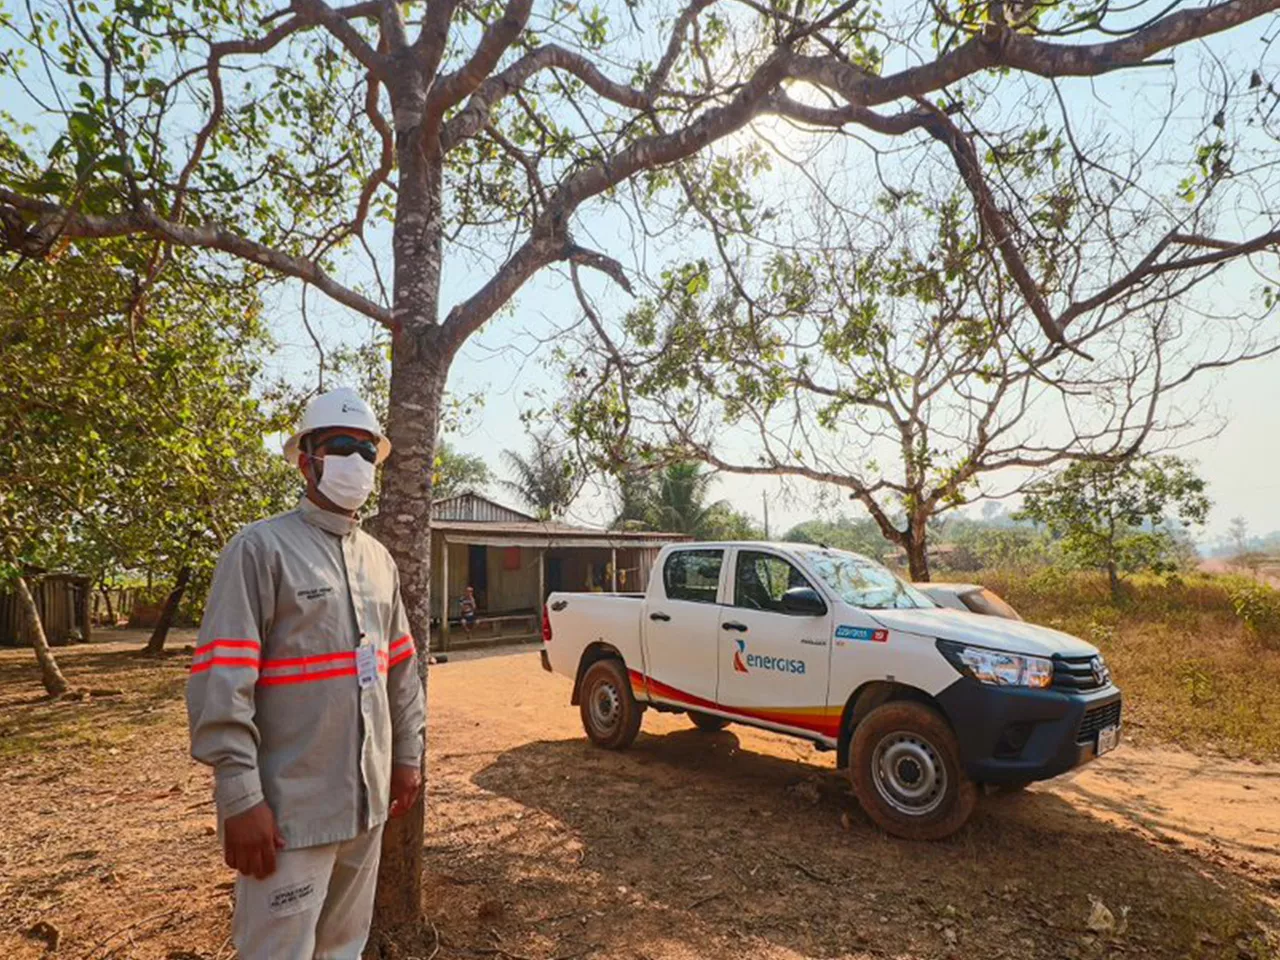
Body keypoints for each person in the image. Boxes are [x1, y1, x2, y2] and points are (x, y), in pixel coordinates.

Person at [186, 386, 425, 960]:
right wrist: (240, 796)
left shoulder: (378, 560)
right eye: (342, 447)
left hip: (366, 809)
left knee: (343, 948)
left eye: (368, 452)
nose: (358, 463)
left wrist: (408, 757)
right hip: (288, 816)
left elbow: (400, 670)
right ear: (306, 460)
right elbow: (223, 680)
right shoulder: (259, 550)